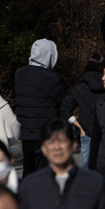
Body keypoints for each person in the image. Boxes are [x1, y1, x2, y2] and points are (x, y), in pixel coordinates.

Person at [14, 39, 66, 175]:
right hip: (46, 133)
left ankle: (26, 196)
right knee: (45, 175)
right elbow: (64, 101)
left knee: (28, 172)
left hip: (26, 132)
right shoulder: (52, 78)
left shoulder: (20, 74)